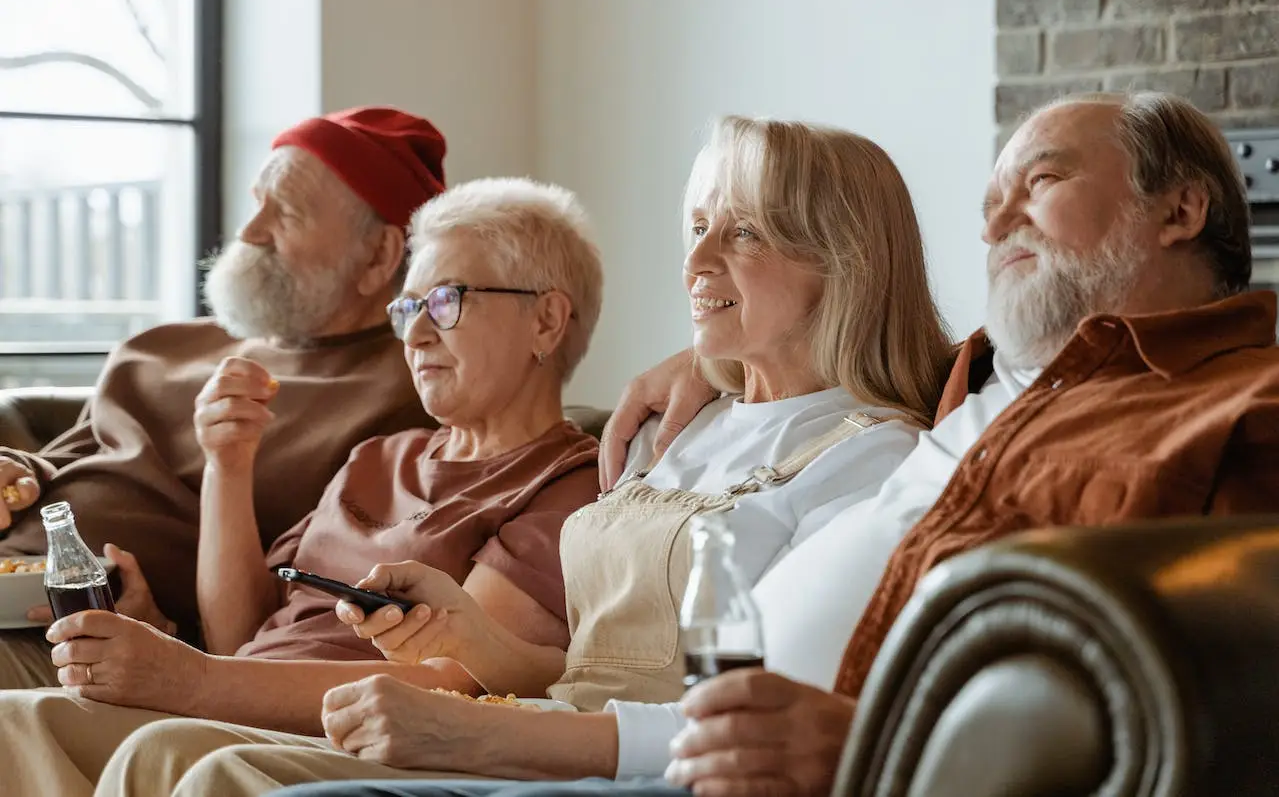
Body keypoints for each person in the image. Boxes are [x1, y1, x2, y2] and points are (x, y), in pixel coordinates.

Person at [271, 90, 1279, 797]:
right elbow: (837, 350)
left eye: (1040, 181)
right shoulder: (980, 380)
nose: (992, 222)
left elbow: (1213, 694)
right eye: (989, 204)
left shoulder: (1229, 405)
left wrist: (874, 749)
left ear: (1179, 208)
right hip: (688, 745)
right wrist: (712, 359)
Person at [11, 114, 956, 797]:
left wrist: (469, 702)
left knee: (188, 763)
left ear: (843, 257)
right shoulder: (678, 424)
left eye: (738, 229)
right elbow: (567, 660)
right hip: (543, 714)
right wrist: (470, 635)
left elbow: (740, 713)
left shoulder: (876, 463)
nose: (694, 259)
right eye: (695, 227)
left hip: (584, 744)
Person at [0, 176, 608, 797]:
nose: (419, 334)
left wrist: (192, 681)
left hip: (338, 738)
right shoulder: (377, 457)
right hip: (229, 704)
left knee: (158, 751)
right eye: (409, 308)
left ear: (547, 321)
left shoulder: (567, 485)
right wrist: (227, 466)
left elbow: (457, 681)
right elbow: (240, 637)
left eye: (447, 301)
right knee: (10, 722)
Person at [0, 107, 448, 689]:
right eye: (255, 201)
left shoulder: (409, 396)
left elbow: (309, 618)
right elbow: (68, 462)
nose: (249, 231)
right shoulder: (158, 347)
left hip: (97, 647)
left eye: (284, 212)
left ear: (380, 256)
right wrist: (21, 474)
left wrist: (167, 632)